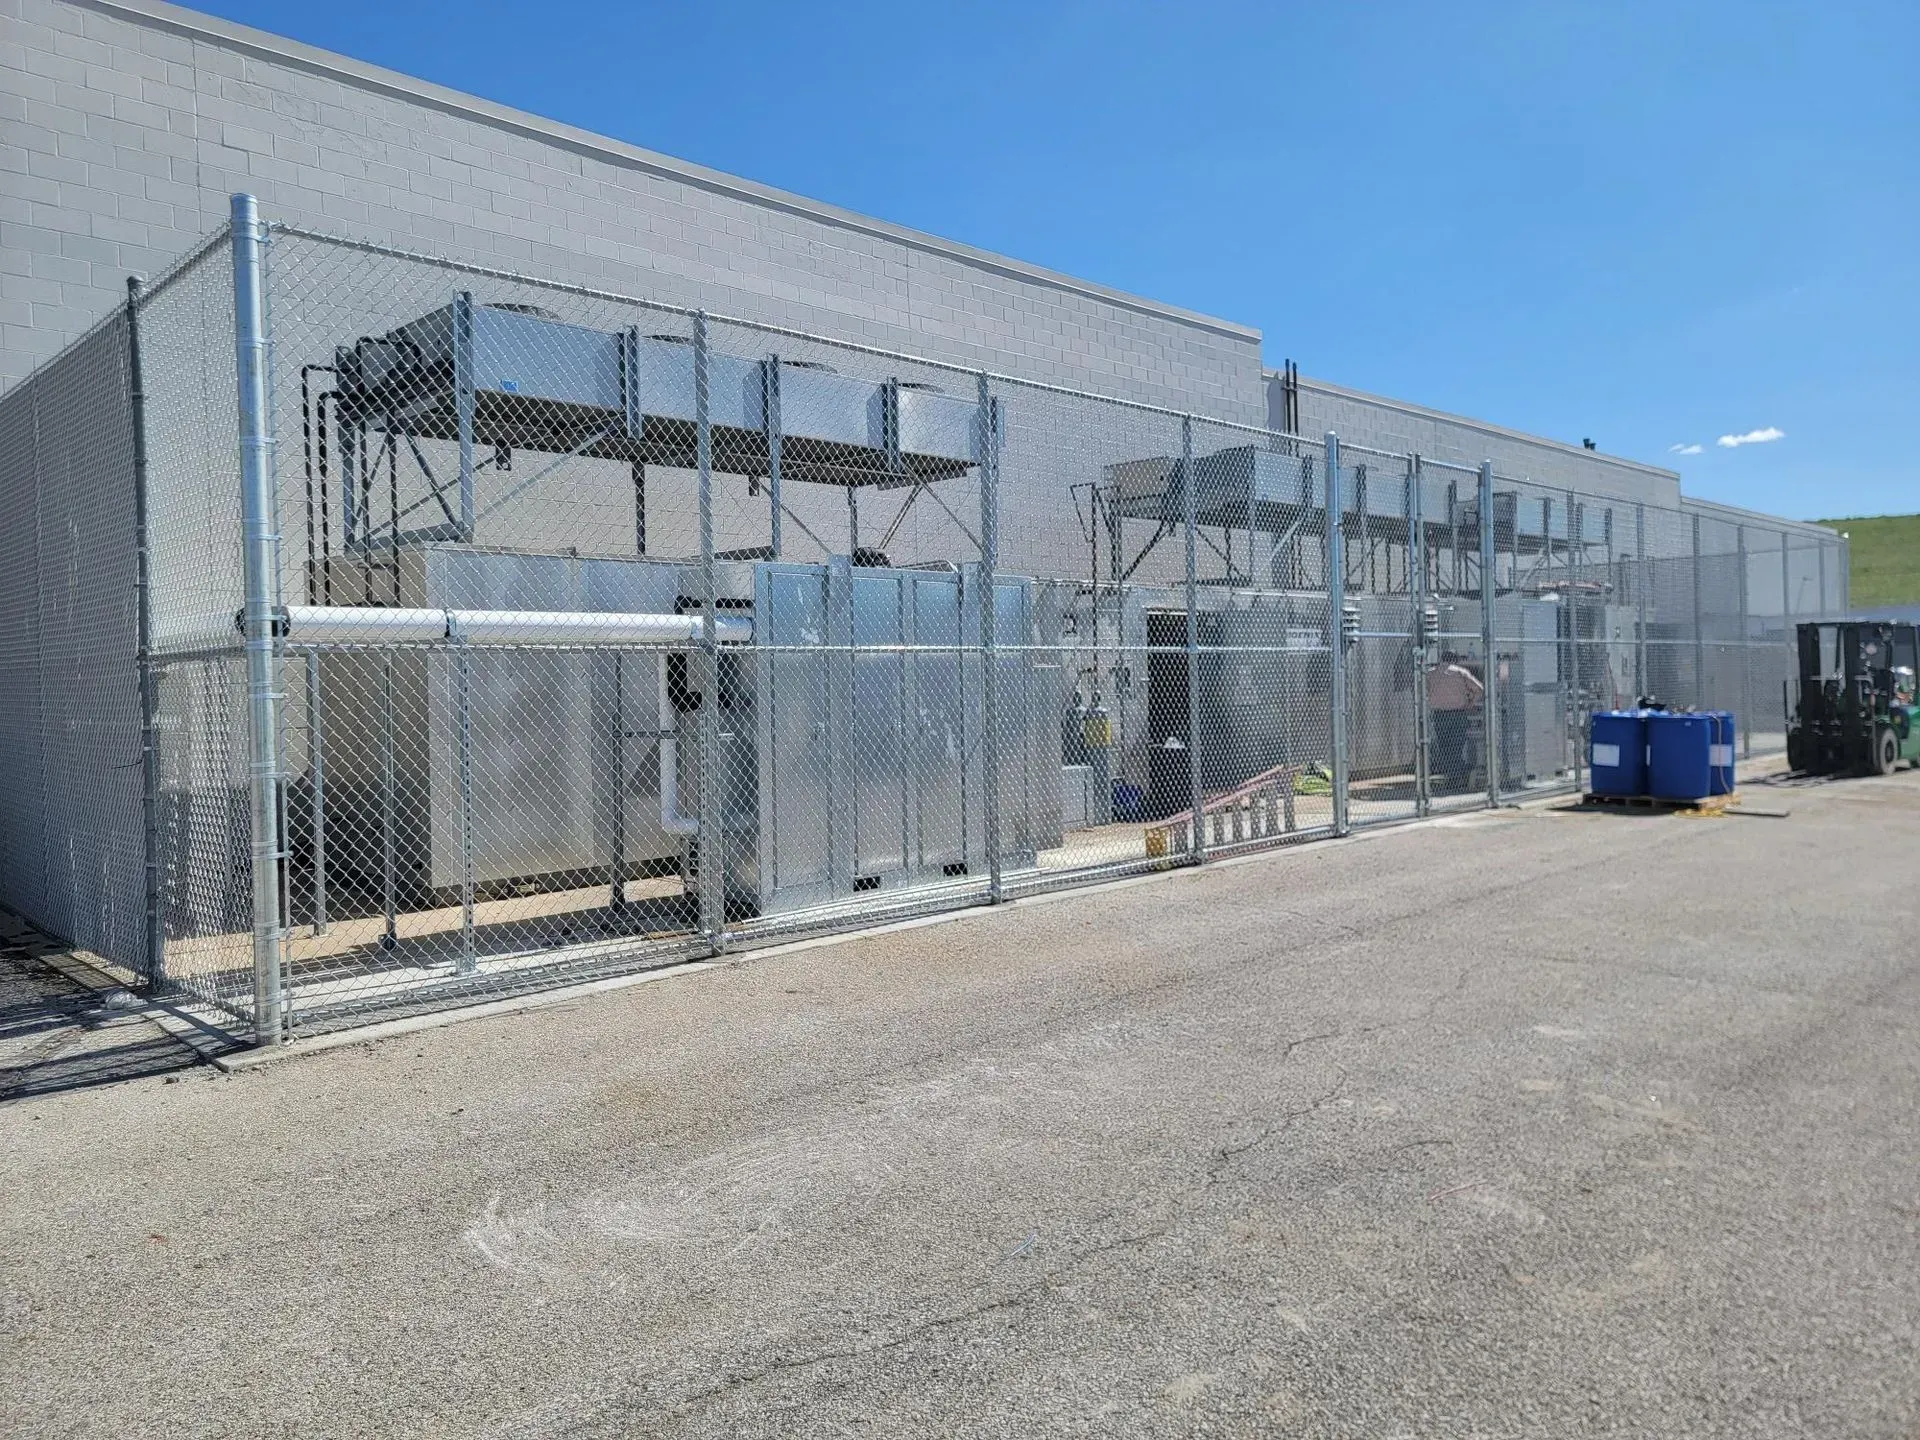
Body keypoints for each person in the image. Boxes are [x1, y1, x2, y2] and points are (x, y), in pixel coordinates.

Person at [1427, 651, 1486, 786]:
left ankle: (1454, 775)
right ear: (1455, 660)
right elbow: (1479, 688)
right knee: (1456, 746)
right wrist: (1471, 703)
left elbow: (1423, 690)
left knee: (1444, 746)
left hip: (1439, 714)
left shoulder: (1431, 673)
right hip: (1458, 714)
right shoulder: (1460, 672)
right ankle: (1462, 771)